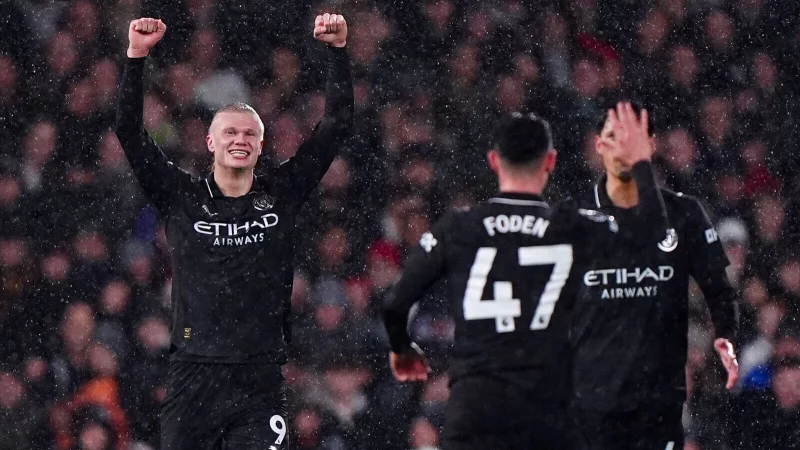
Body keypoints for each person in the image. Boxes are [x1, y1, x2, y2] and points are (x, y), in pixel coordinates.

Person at [114, 15, 353, 449]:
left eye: (249, 133)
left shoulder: (282, 192)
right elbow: (129, 132)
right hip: (193, 379)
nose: (239, 138)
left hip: (258, 382)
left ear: (261, 145)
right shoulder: (180, 196)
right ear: (210, 142)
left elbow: (335, 125)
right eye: (229, 131)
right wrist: (136, 58)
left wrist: (337, 53)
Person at [383, 104, 668, 450]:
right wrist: (639, 163)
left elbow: (396, 304)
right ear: (550, 161)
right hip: (546, 411)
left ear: (493, 161)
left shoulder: (458, 227)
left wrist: (401, 348)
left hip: (476, 410)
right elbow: (652, 235)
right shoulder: (571, 227)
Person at [569, 102, 740, 450]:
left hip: (658, 403)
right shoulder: (572, 218)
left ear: (651, 146)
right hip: (590, 403)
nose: (624, 149)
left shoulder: (684, 213)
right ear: (598, 146)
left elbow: (720, 288)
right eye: (614, 137)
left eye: (634, 139)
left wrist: (726, 333)